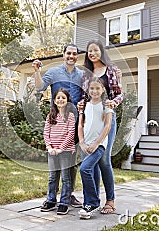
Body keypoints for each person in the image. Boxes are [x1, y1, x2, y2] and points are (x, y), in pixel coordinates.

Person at [32, 44, 83, 208]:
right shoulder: (54, 72)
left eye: (74, 54)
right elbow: (40, 86)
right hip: (57, 122)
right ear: (64, 55)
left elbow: (88, 94)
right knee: (55, 161)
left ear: (77, 56)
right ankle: (52, 197)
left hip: (74, 123)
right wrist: (37, 71)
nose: (71, 56)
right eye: (69, 53)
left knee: (72, 161)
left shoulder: (82, 75)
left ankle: (69, 195)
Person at [79, 39, 123, 214]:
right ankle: (93, 200)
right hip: (91, 120)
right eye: (89, 51)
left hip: (106, 119)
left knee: (104, 160)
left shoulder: (111, 69)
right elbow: (84, 95)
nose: (92, 53)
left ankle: (110, 201)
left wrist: (113, 103)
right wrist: (81, 106)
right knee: (92, 161)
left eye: (95, 50)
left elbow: (119, 94)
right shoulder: (86, 73)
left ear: (101, 52)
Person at [78, 77, 113, 219]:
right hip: (86, 145)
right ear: (88, 89)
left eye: (98, 88)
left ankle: (93, 202)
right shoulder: (84, 105)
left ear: (103, 89)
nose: (94, 91)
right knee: (89, 171)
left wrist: (96, 143)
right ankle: (88, 205)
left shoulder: (107, 105)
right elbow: (80, 125)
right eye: (92, 88)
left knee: (84, 169)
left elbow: (107, 126)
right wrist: (82, 142)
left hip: (98, 146)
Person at [41, 89, 76, 215]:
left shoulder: (70, 116)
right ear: (54, 101)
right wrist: (50, 147)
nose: (60, 100)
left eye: (63, 98)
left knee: (66, 178)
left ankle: (64, 203)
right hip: (52, 152)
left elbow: (71, 133)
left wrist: (61, 148)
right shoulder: (50, 116)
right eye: (58, 98)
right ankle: (51, 200)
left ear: (67, 101)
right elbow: (46, 132)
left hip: (65, 151)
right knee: (52, 177)